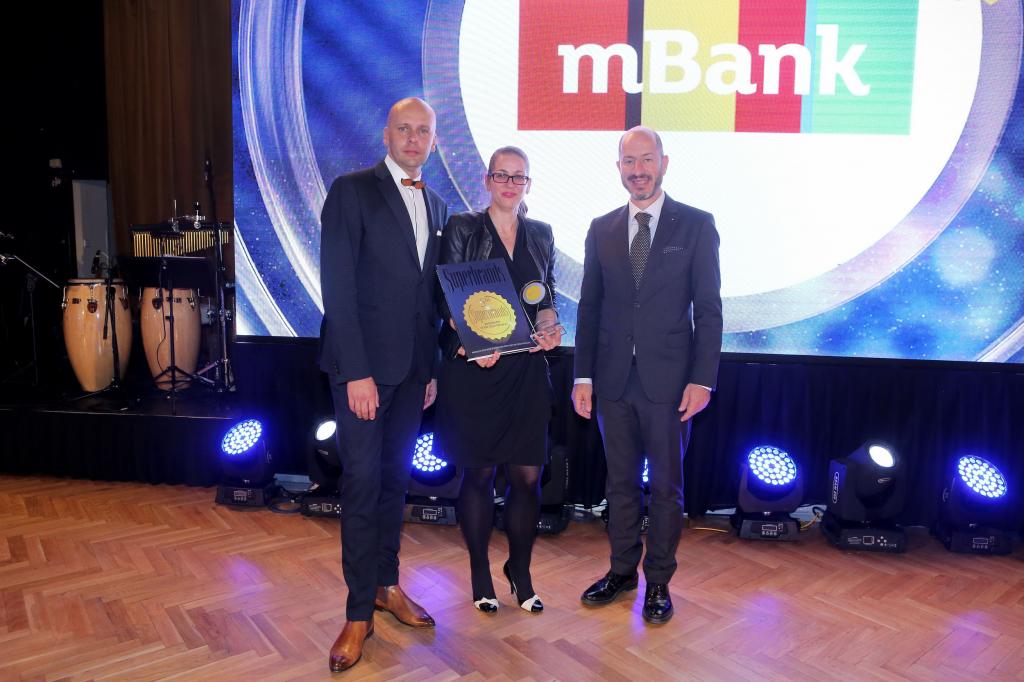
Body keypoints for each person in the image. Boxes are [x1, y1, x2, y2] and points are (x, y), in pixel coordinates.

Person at [318, 97, 450, 672]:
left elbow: (432, 299)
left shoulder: (438, 205)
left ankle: (386, 586)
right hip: (364, 374)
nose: (414, 138)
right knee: (363, 485)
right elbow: (338, 286)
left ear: (433, 141)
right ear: (386, 135)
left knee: (396, 482)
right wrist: (356, 372)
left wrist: (433, 369)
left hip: (414, 373)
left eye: (423, 131)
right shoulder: (352, 191)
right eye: (404, 129)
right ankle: (356, 614)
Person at [572, 126, 722, 624]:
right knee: (618, 485)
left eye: (646, 159)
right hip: (612, 382)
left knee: (665, 489)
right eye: (629, 161)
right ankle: (621, 572)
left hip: (670, 385)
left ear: (663, 163)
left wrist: (702, 379)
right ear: (619, 167)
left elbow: (709, 309)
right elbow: (589, 307)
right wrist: (582, 377)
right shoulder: (602, 228)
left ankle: (658, 581)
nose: (638, 170)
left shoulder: (696, 225)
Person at [435, 146, 562, 614]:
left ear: (529, 184)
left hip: (526, 369)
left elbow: (544, 298)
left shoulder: (541, 234)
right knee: (480, 474)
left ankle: (520, 572)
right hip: (477, 369)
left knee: (527, 477)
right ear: (487, 180)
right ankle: (480, 575)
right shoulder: (463, 227)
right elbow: (446, 296)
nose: (510, 184)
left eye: (518, 177)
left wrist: (550, 326)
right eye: (501, 175)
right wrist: (471, 342)